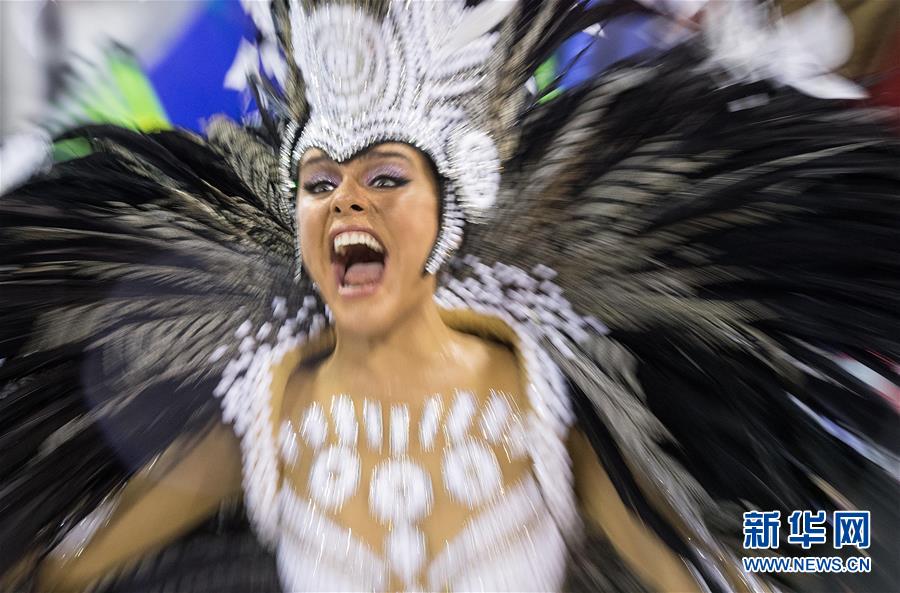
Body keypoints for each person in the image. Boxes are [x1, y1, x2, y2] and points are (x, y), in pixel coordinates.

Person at [1, 1, 898, 592]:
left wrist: (852, 543)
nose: (347, 200)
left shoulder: (543, 394)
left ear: (448, 215)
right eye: (321, 184)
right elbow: (64, 569)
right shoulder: (267, 412)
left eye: (385, 178)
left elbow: (725, 549)